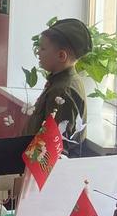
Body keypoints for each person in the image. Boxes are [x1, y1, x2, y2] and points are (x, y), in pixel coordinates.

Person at [22, 18, 91, 153]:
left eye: (43, 48)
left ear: (61, 56)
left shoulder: (62, 91)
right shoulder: (59, 82)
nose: (38, 52)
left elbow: (56, 146)